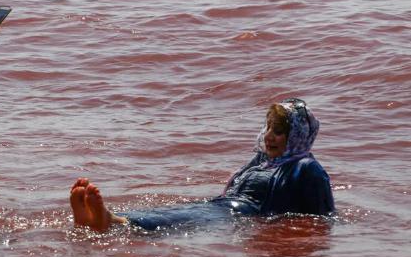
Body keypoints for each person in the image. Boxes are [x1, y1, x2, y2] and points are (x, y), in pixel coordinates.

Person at [70, 98, 335, 232]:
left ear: (298, 135)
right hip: (218, 207)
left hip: (240, 217)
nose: (268, 136)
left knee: (180, 220)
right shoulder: (264, 160)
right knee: (172, 212)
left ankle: (111, 221)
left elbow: (324, 219)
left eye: (278, 131)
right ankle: (101, 219)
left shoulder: (307, 169)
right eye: (269, 128)